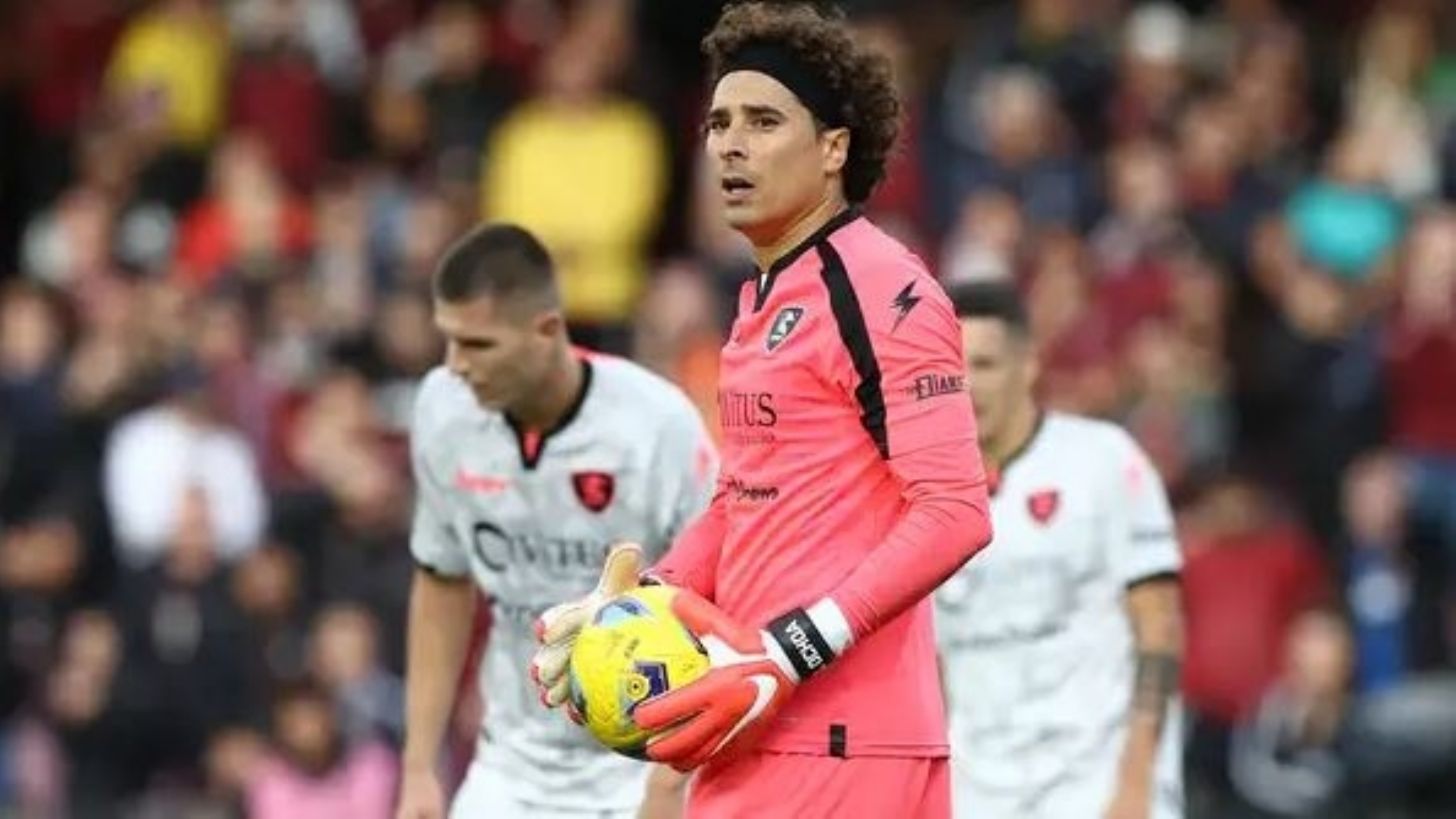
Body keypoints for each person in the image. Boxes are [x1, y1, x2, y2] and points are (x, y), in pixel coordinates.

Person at [531, 3, 993, 817]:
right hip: (760, 727)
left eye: (764, 121)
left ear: (833, 148)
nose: (730, 144)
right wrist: (642, 603)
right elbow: (744, 498)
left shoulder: (881, 286)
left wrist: (791, 647)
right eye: (719, 123)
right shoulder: (761, 299)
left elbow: (956, 511)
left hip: (839, 739)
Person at [394, 223, 718, 819]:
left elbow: (722, 602)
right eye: (450, 340)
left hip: (637, 767)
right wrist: (418, 767)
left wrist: (673, 781)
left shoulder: (657, 426)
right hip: (510, 771)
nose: (457, 365)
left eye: (478, 344)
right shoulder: (443, 410)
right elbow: (441, 581)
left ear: (546, 331)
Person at [935, 281, 1185, 819]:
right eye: (952, 369)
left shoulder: (1104, 461)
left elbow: (1159, 627)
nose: (967, 386)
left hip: (1095, 785)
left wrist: (1138, 781)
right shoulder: (921, 494)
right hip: (978, 791)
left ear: (1028, 365)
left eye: (985, 365)